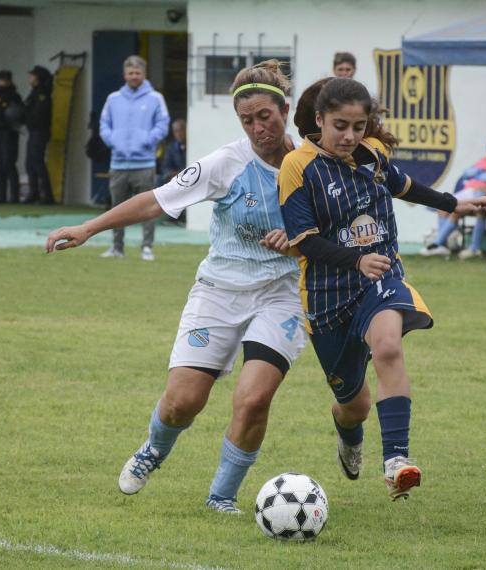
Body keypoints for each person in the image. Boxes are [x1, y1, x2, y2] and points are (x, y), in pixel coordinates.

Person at [45, 60, 307, 515]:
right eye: (246, 120)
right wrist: (91, 227)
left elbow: (339, 221)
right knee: (183, 403)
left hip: (281, 293)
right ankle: (153, 449)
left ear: (284, 109)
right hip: (219, 290)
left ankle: (221, 497)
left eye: (265, 116)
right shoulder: (226, 163)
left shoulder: (311, 163)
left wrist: (301, 240)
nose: (257, 128)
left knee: (254, 398)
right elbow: (155, 201)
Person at [279, 78, 486, 501]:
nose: (350, 135)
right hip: (326, 297)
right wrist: (354, 258)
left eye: (358, 125)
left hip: (380, 279)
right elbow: (302, 240)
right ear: (319, 120)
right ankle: (349, 434)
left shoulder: (370, 153)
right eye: (340, 125)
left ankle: (396, 462)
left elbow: (400, 184)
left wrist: (451, 204)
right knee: (352, 403)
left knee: (389, 348)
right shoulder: (297, 166)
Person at [99, 55, 170, 260]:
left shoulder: (155, 98)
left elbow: (163, 124)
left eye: (137, 73)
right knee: (117, 208)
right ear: (125, 74)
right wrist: (114, 141)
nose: (134, 76)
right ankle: (117, 247)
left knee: (148, 207)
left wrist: (147, 140)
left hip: (145, 163)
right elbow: (104, 125)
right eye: (130, 73)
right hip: (118, 163)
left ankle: (147, 247)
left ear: (143, 74)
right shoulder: (113, 99)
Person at [420, 134, 486, 257]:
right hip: (470, 191)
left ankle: (463, 247)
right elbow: (466, 174)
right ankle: (441, 245)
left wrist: (476, 173)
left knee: (457, 208)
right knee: (443, 209)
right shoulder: (484, 160)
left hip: (485, 194)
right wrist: (480, 172)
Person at [0, 70, 23, 204]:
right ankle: (1, 196)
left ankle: (14, 196)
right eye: (1, 79)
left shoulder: (14, 96)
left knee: (9, 163)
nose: (2, 82)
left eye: (5, 79)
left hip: (9, 134)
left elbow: (18, 115)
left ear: (9, 80)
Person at [23, 65, 54, 204]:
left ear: (38, 78)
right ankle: (33, 193)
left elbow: (39, 114)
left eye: (33, 76)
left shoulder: (43, 94)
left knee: (38, 162)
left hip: (40, 131)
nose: (30, 78)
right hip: (33, 131)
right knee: (30, 163)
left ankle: (47, 196)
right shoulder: (34, 93)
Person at [158, 118, 187, 184]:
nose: (179, 134)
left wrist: (180, 173)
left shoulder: (193, 146)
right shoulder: (171, 148)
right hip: (174, 178)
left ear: (186, 130)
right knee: (159, 179)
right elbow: (165, 166)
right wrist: (170, 174)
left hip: (189, 176)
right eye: (176, 131)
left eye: (181, 130)